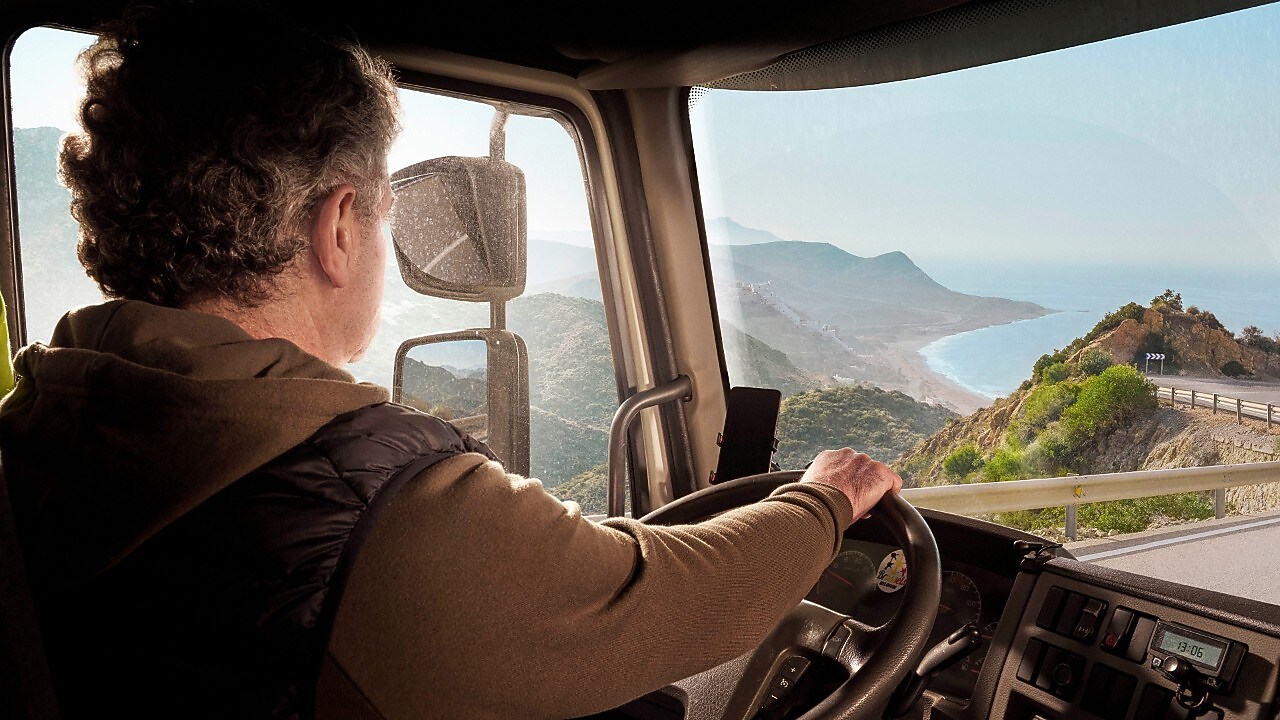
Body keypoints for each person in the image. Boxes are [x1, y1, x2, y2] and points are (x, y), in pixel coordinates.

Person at [0, 3, 904, 719]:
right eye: (387, 208)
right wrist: (828, 496)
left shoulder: (34, 427)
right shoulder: (384, 514)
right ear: (340, 225)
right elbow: (666, 600)